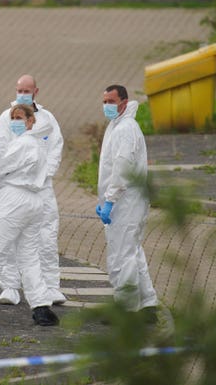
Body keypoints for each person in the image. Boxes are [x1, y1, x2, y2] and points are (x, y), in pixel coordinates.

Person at [0, 104, 59, 326]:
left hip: (13, 199)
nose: (15, 121)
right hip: (34, 200)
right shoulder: (39, 145)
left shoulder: (22, 143)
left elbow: (0, 168)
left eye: (19, 117)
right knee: (29, 255)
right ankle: (40, 306)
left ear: (31, 121)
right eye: (13, 117)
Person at [0, 74, 66, 306]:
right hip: (14, 188)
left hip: (42, 188)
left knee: (46, 235)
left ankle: (51, 287)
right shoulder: (6, 119)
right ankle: (10, 287)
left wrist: (44, 174)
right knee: (9, 235)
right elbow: (2, 152)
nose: (22, 94)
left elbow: (55, 148)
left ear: (36, 91)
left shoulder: (48, 118)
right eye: (19, 89)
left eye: (27, 90)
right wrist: (16, 178)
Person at [95, 84, 159, 322]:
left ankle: (126, 308)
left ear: (123, 102)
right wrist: (105, 200)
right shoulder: (118, 126)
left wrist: (110, 200)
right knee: (133, 252)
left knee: (123, 256)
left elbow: (121, 169)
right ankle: (148, 304)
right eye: (104, 102)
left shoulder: (125, 129)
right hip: (124, 200)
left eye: (111, 101)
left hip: (127, 201)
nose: (107, 106)